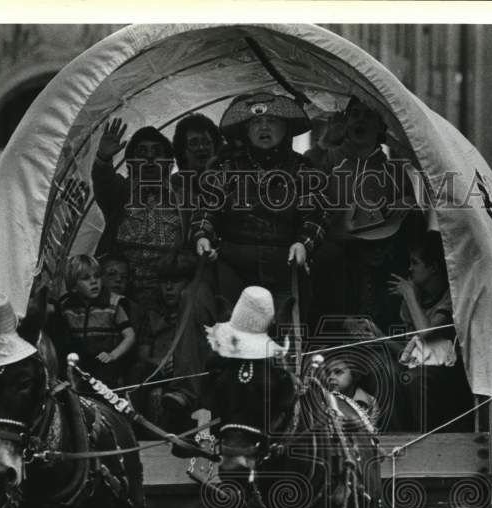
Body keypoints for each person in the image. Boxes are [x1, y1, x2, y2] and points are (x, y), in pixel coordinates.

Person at [191, 92, 326, 328]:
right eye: (256, 122)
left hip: (284, 264)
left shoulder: (303, 168)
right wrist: (202, 235)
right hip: (234, 266)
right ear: (246, 130)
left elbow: (316, 215)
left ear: (286, 128)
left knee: (286, 340)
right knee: (232, 337)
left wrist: (304, 243)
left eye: (272, 121)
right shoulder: (227, 167)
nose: (264, 127)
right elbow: (206, 208)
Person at [305, 97, 412, 333]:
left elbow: (413, 228)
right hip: (335, 267)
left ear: (381, 127)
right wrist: (323, 143)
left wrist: (407, 204)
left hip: (380, 269)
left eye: (368, 115)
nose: (360, 120)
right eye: (354, 114)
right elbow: (301, 178)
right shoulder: (329, 160)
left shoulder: (394, 171)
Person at [92, 120, 181, 317]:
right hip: (124, 291)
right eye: (142, 154)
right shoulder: (120, 193)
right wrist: (103, 159)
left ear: (169, 163)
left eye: (157, 153)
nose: (149, 158)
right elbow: (103, 181)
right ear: (131, 165)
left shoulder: (182, 199)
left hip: (168, 292)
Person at [389, 230, 474, 431]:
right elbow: (409, 353)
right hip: (420, 367)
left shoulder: (451, 297)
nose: (410, 269)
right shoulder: (413, 301)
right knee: (389, 373)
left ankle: (426, 439)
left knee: (418, 379)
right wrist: (378, 336)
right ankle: (399, 440)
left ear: (434, 267)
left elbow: (427, 333)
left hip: (451, 375)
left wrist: (409, 294)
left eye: (415, 263)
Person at [135, 255, 216, 430]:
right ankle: (137, 427)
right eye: (164, 282)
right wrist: (159, 362)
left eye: (176, 282)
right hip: (158, 367)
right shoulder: (153, 312)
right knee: (139, 372)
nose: (169, 288)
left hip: (187, 370)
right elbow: (143, 352)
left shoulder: (195, 308)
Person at [55, 254, 136, 387]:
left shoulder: (113, 303)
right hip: (78, 366)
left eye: (97, 276)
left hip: (105, 368)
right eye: (86, 278)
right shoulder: (66, 307)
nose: (94, 281)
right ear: (74, 286)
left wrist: (113, 355)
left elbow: (130, 336)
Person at [170, 113, 224, 246]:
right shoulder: (173, 185)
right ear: (182, 149)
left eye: (206, 142)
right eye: (194, 143)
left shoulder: (227, 181)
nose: (201, 148)